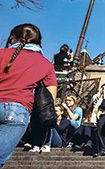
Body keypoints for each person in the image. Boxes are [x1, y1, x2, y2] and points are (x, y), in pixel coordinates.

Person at [0, 24, 57, 166]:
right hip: (17, 110)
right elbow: (51, 96)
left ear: (13, 38)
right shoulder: (45, 64)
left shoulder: (1, 53)